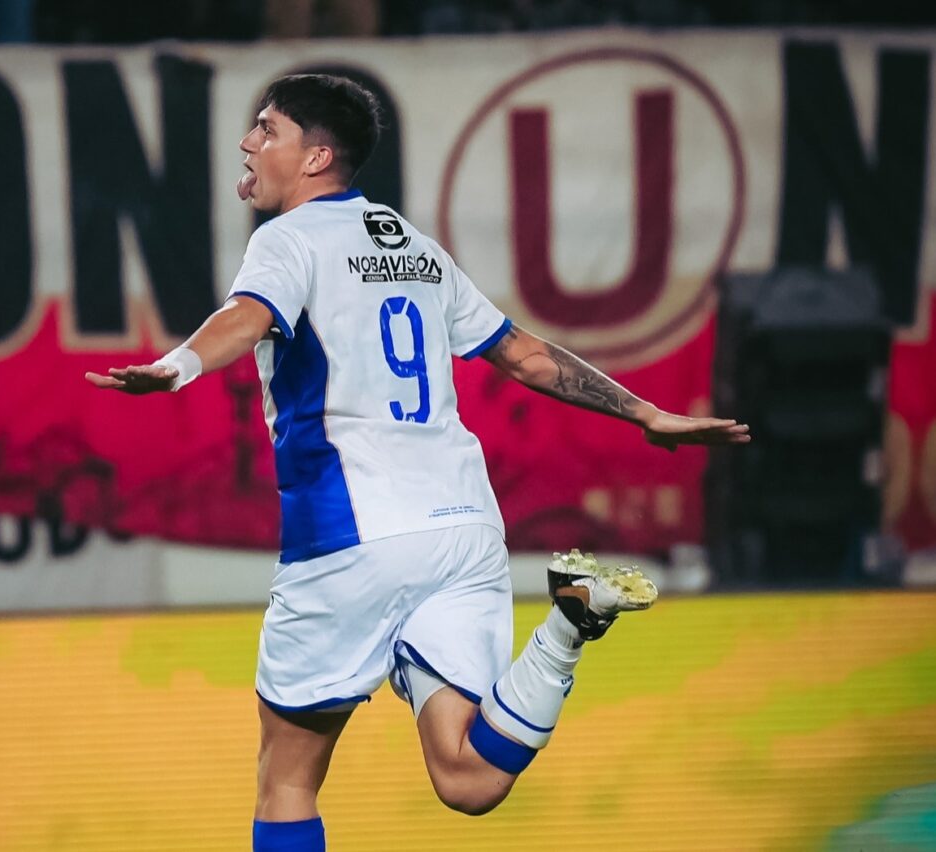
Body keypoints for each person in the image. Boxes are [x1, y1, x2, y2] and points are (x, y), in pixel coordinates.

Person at [86, 74, 749, 852]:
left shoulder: (288, 240)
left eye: (267, 129)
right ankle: (568, 625)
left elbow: (247, 319)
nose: (248, 142)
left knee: (288, 779)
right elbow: (527, 356)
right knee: (469, 778)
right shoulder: (417, 251)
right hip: (464, 535)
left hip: (350, 540)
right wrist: (643, 412)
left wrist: (175, 367)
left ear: (316, 156)